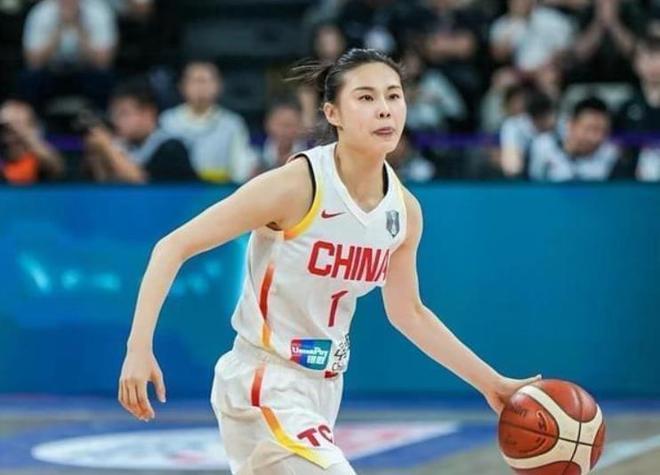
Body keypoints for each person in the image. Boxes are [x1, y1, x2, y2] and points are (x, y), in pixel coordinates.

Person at [118, 49, 541, 475]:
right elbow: (172, 247)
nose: (384, 109)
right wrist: (138, 348)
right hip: (264, 383)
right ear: (332, 113)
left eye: (393, 96)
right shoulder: (297, 185)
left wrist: (491, 382)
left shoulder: (404, 211)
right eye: (366, 97)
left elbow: (409, 313)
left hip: (324, 389)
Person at [160, 61, 257, 184]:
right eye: (195, 81)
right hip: (176, 189)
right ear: (182, 86)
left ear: (218, 86)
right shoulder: (167, 121)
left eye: (206, 81)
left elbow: (240, 168)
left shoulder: (232, 123)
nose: (201, 87)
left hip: (220, 190)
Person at [84, 80, 197, 183]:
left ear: (148, 113)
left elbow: (141, 183)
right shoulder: (123, 146)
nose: (116, 120)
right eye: (114, 114)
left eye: (124, 113)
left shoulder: (171, 147)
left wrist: (107, 146)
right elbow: (104, 184)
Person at [528, 96, 618, 181]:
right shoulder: (543, 147)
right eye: (589, 129)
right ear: (571, 125)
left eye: (603, 131)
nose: (595, 138)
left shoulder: (610, 155)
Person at [0, 99, 65, 184]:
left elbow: (56, 167)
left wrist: (24, 134)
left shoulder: (40, 161)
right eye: (4, 130)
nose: (9, 138)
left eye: (18, 125)